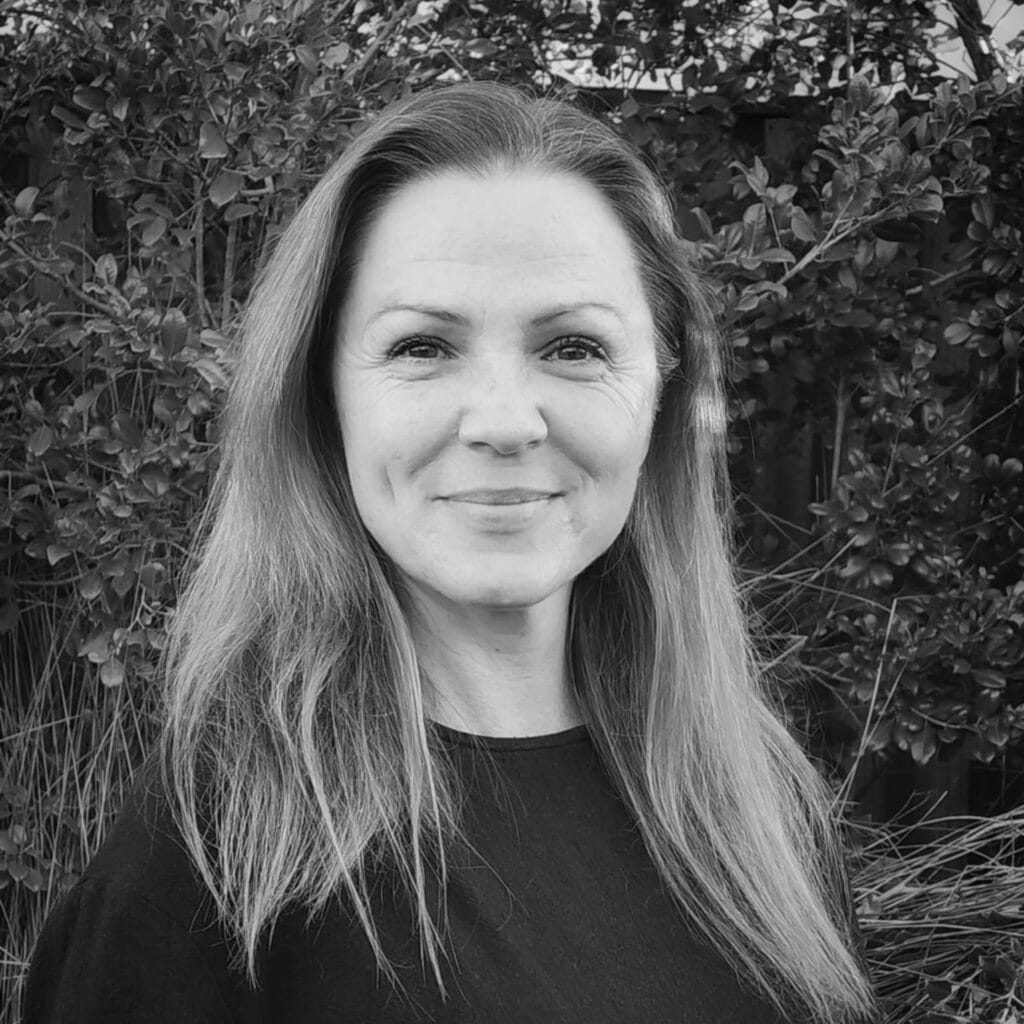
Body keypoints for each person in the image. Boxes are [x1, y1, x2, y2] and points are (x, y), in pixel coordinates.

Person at [24, 81, 879, 1024]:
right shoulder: (216, 862)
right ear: (322, 397)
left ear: (665, 394)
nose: (507, 421)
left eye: (576, 347)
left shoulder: (757, 809)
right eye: (424, 346)